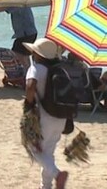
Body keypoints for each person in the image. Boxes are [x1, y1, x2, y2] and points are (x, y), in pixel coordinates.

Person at [23, 38, 70, 189]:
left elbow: (30, 87)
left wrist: (28, 105)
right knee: (48, 152)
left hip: (44, 117)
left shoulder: (37, 68)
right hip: (61, 117)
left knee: (33, 147)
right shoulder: (59, 69)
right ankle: (46, 186)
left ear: (38, 54)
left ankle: (57, 175)